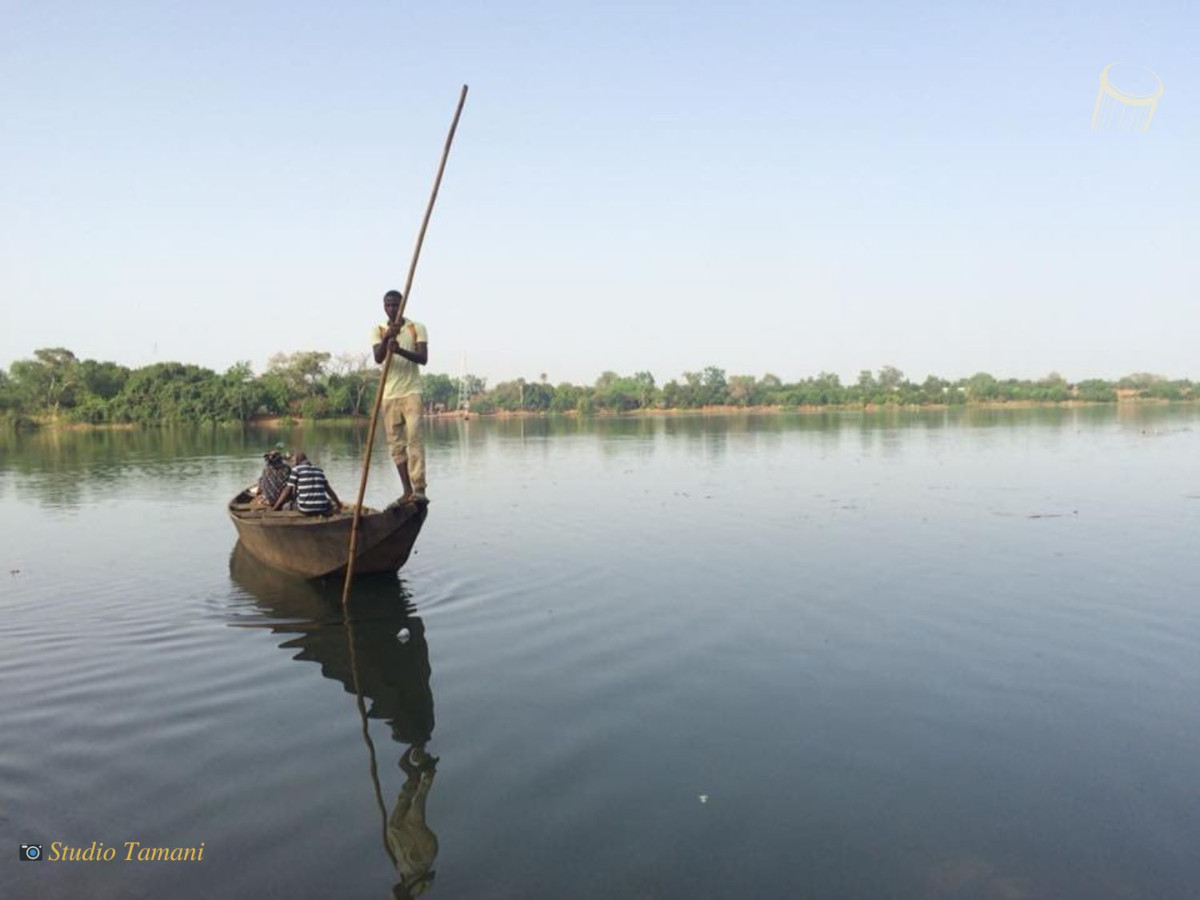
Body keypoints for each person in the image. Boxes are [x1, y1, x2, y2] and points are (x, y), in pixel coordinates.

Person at [372, 289, 429, 503]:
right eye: (388, 305)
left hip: (411, 392)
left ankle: (419, 488)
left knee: (414, 438)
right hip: (389, 395)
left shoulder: (416, 328)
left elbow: (423, 358)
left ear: (402, 305)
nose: (391, 309)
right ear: (383, 306)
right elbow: (378, 358)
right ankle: (407, 491)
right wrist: (388, 336)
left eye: (395, 305)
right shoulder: (378, 329)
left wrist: (400, 351)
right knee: (396, 445)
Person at [272, 452, 341, 515]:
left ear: (297, 461)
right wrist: (339, 504)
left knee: (285, 506)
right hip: (322, 508)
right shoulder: (319, 470)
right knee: (330, 503)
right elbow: (329, 491)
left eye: (292, 461)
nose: (292, 464)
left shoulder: (296, 470)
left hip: (305, 508)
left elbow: (287, 490)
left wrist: (275, 507)